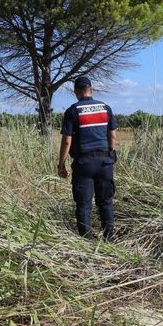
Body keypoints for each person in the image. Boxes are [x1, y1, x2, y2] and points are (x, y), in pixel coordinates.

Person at [57, 77, 118, 240]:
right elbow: (112, 135)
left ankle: (87, 239)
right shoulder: (105, 108)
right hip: (105, 161)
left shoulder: (72, 110)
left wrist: (61, 164)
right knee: (105, 201)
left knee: (83, 204)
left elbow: (67, 140)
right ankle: (109, 236)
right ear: (91, 90)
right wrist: (111, 153)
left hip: (83, 163)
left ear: (76, 91)